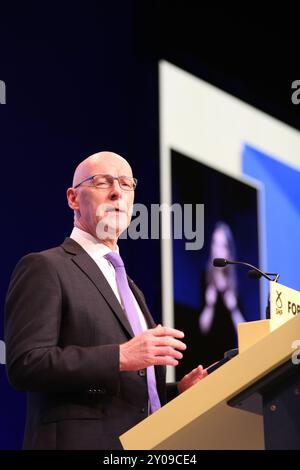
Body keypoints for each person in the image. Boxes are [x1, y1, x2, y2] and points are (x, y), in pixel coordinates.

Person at [5, 151, 207, 450]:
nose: (117, 192)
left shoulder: (127, 283)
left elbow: (125, 392)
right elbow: (26, 364)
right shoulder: (46, 267)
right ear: (73, 199)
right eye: (103, 182)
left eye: (126, 184)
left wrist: (177, 392)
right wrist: (120, 356)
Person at [198, 222, 245, 364]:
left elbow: (243, 331)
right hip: (207, 356)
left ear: (229, 251)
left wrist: (233, 309)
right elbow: (202, 328)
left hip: (231, 357)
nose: (217, 250)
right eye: (214, 243)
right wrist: (209, 306)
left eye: (222, 245)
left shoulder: (235, 284)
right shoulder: (204, 279)